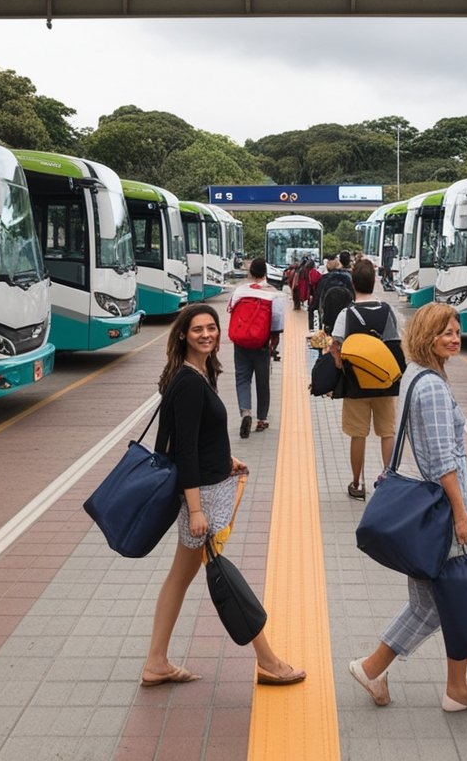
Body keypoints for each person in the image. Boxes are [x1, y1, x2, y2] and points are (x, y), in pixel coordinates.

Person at [348, 302, 467, 712]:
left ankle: (449, 685)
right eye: (445, 333)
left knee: (441, 600)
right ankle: (376, 668)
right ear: (425, 336)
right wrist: (462, 516)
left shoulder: (421, 374)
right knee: (442, 602)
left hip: (439, 509)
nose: (454, 338)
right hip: (442, 512)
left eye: (456, 331)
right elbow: (441, 462)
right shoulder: (432, 386)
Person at [141, 304, 306, 687]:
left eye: (212, 328)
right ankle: (268, 660)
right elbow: (182, 449)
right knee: (224, 578)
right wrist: (195, 509)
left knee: (180, 578)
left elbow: (198, 436)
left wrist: (225, 458)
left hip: (210, 485)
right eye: (197, 329)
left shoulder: (200, 372)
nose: (206, 334)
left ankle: (156, 662)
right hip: (202, 497)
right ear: (183, 334)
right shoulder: (186, 381)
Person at [329, 258, 401, 500]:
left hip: (355, 383)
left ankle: (357, 484)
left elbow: (335, 346)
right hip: (384, 383)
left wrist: (340, 366)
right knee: (387, 432)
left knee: (358, 434)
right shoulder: (387, 311)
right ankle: (389, 480)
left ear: (353, 283)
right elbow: (394, 345)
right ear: (374, 281)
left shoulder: (346, 314)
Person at [228, 257, 285, 438]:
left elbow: (230, 309)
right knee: (262, 381)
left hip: (241, 343)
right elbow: (277, 321)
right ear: (266, 273)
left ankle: (246, 412)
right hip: (261, 343)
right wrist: (272, 339)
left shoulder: (240, 290)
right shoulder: (272, 293)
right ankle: (262, 419)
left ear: (251, 273)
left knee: (242, 379)